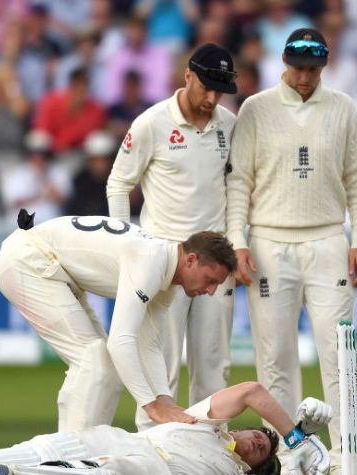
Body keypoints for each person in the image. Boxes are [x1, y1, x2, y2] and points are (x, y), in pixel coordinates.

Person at [228, 28, 357, 475]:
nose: (305, 78)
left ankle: (348, 462)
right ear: (284, 62)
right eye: (297, 68)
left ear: (324, 66)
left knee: (339, 353)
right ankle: (292, 458)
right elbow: (239, 184)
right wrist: (237, 241)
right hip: (269, 242)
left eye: (313, 69)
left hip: (329, 239)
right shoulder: (256, 108)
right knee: (275, 359)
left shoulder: (343, 108)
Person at [0, 214, 236, 432]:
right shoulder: (150, 262)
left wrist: (164, 398)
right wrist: (151, 406)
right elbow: (121, 341)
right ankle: (70, 464)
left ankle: (80, 457)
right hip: (26, 261)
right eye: (210, 280)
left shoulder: (166, 274)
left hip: (51, 266)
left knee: (102, 364)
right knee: (93, 360)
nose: (212, 290)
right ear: (191, 260)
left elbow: (149, 344)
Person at [106, 43, 238, 431]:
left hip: (213, 263)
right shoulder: (151, 122)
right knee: (159, 363)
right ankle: (153, 450)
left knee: (214, 366)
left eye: (220, 91)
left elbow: (237, 188)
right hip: (165, 262)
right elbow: (118, 184)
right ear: (187, 76)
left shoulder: (228, 123)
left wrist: (236, 244)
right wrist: (125, 247)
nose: (211, 99)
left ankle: (211, 452)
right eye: (205, 88)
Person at [0, 382, 332, 475]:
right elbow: (251, 392)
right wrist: (292, 435)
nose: (263, 441)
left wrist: (303, 449)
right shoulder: (203, 421)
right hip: (126, 439)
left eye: (266, 452)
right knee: (49, 448)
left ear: (259, 470)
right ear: (240, 427)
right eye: (261, 433)